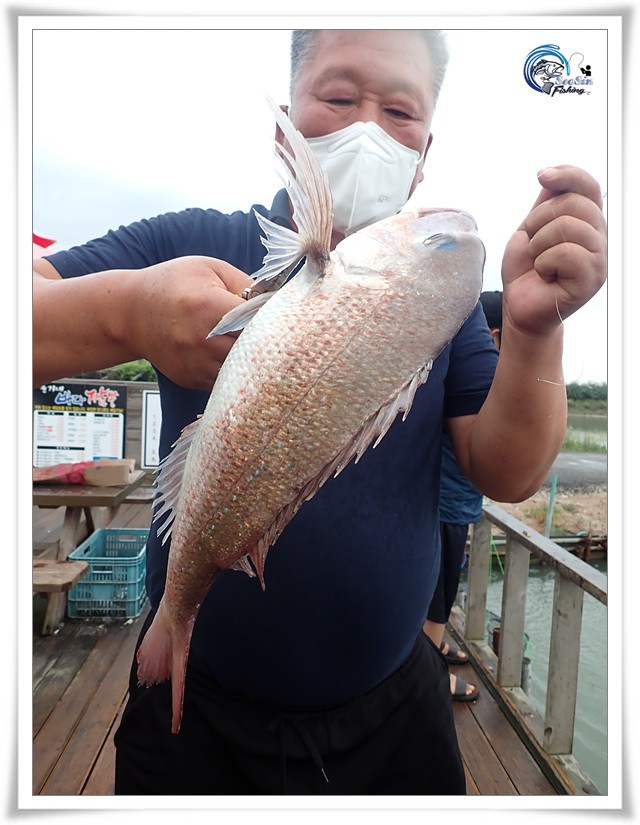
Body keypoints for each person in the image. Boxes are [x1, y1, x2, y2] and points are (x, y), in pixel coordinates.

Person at [33, 30, 607, 795]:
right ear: (285, 129)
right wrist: (128, 309)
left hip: (394, 706)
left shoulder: (440, 300)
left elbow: (508, 471)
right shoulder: (192, 240)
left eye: (400, 113)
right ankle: (176, 620)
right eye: (338, 97)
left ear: (425, 157)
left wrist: (536, 331)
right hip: (203, 710)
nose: (368, 129)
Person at [423, 291, 503, 703]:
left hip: (457, 507)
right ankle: (432, 679)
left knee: (442, 593)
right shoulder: (473, 380)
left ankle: (434, 652)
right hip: (445, 508)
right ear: (495, 336)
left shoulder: (473, 380)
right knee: (434, 602)